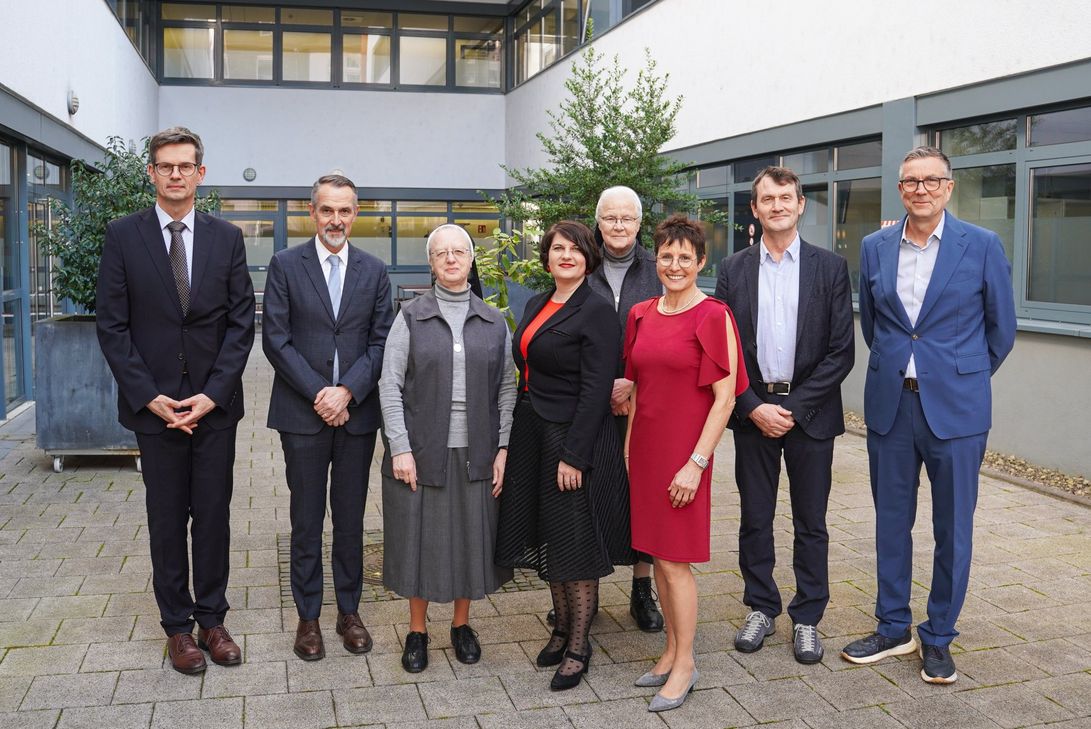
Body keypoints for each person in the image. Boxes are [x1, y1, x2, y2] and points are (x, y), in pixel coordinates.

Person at [842, 146, 1016, 684]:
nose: (919, 189)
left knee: (953, 528)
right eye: (909, 182)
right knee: (891, 524)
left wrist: (959, 375)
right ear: (901, 190)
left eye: (930, 180)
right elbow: (876, 326)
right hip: (892, 405)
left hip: (958, 411)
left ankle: (938, 636)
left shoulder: (982, 245)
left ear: (948, 187)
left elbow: (1001, 330)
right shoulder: (874, 247)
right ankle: (893, 627)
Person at [96, 126, 255, 674]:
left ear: (200, 173)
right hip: (155, 410)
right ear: (152, 173)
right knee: (166, 518)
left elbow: (241, 324)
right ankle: (178, 630)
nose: (176, 174)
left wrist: (213, 395)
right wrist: (149, 397)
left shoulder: (226, 238)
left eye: (185, 166)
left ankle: (213, 620)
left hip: (213, 409)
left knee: (212, 515)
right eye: (165, 166)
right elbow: (112, 327)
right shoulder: (123, 236)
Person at [713, 166, 854, 664]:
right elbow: (725, 351)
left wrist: (790, 409)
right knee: (755, 517)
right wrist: (753, 407)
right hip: (753, 412)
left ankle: (808, 616)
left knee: (811, 521)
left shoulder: (830, 267)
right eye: (766, 199)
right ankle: (760, 606)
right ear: (754, 209)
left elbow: (842, 353)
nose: (776, 205)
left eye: (786, 198)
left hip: (809, 415)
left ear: (800, 205)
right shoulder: (732, 270)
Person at [495, 220, 633, 692]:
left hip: (573, 437)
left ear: (588, 257)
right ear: (547, 257)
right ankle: (558, 629)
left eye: (575, 249)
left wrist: (574, 455)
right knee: (548, 533)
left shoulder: (595, 311)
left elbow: (597, 389)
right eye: (558, 249)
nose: (567, 256)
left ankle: (579, 645)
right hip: (533, 428)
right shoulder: (536, 302)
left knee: (574, 539)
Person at [262, 174, 394, 662]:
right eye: (326, 210)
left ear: (355, 214)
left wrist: (348, 392)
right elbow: (275, 340)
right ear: (311, 214)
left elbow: (382, 343)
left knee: (351, 519)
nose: (335, 219)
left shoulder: (374, 271)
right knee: (305, 518)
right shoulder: (284, 266)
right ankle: (308, 616)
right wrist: (321, 393)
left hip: (356, 416)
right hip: (302, 414)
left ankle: (349, 611)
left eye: (345, 211)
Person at [379, 224, 516, 673]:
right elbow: (389, 386)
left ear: (472, 259)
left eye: (460, 252)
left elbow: (507, 389)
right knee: (419, 541)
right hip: (422, 451)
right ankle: (417, 631)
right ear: (432, 263)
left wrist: (502, 448)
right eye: (442, 253)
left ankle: (461, 625)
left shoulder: (493, 321)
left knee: (469, 540)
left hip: (477, 451)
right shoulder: (410, 317)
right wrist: (399, 447)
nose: (452, 259)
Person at [625, 214, 747, 712]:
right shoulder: (640, 314)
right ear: (656, 260)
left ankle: (687, 663)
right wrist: (629, 450)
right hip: (647, 453)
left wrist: (695, 464)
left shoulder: (713, 316)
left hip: (684, 455)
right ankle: (669, 651)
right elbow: (637, 391)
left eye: (685, 257)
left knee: (676, 563)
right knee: (656, 556)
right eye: (666, 256)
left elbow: (725, 399)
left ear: (701, 263)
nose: (674, 265)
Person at [584, 185, 664, 633]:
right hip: (590, 404)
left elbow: (669, 332)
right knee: (589, 495)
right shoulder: (581, 264)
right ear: (599, 221)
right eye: (611, 218)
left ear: (638, 223)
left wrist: (632, 386)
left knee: (643, 495)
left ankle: (641, 589)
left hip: (646, 403)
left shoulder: (657, 269)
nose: (618, 226)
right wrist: (602, 389)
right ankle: (586, 591)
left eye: (627, 219)